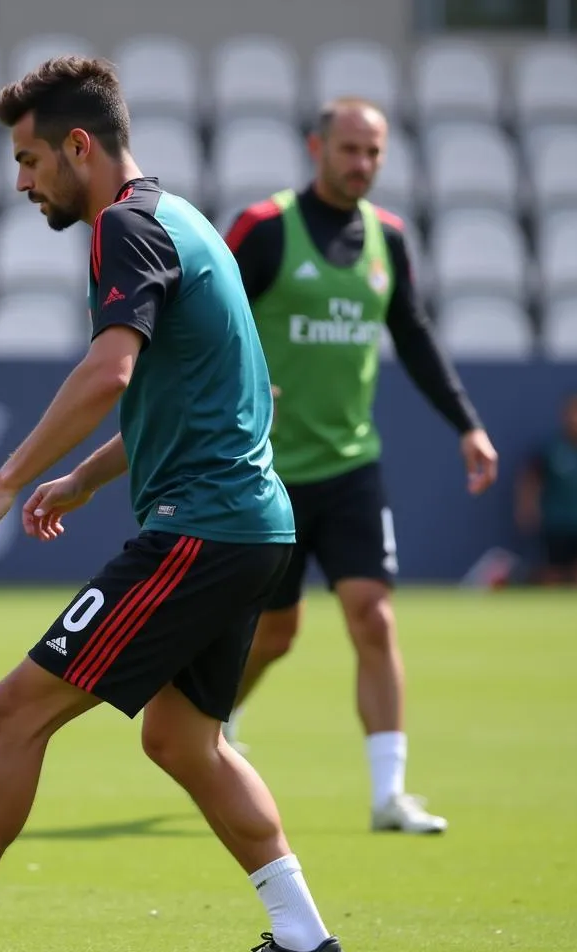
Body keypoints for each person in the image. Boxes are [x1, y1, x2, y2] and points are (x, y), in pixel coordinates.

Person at [0, 56, 345, 952]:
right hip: (250, 523)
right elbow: (192, 395)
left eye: (29, 160)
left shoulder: (125, 228)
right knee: (181, 738)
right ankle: (304, 935)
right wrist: (84, 479)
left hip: (204, 524)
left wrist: (1, 485)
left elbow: (109, 373)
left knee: (14, 709)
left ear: (79, 145)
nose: (20, 183)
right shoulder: (184, 221)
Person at [221, 96, 499, 834]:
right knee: (275, 635)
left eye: (374, 152)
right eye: (350, 149)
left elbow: (413, 335)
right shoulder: (266, 229)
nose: (362, 164)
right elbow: (208, 317)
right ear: (317, 147)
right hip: (268, 470)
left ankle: (388, 795)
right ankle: (222, 717)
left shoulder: (390, 239)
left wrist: (468, 426)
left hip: (352, 467)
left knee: (372, 617)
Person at [515, 392, 577, 586]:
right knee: (553, 573)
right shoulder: (551, 448)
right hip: (557, 522)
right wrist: (527, 509)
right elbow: (531, 480)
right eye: (575, 412)